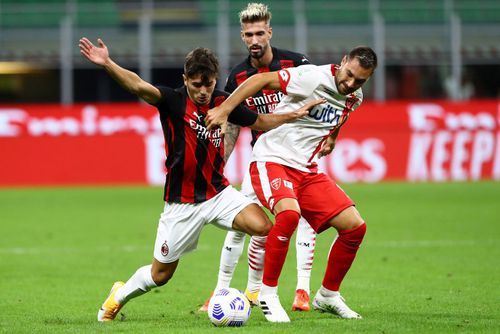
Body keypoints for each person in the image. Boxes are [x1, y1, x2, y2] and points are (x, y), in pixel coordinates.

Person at [78, 37, 324, 322]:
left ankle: (256, 292)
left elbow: (259, 122)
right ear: (185, 80)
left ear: (215, 79)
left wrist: (292, 115)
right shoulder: (172, 100)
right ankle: (118, 296)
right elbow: (137, 85)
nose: (204, 91)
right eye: (196, 85)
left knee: (265, 228)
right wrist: (108, 63)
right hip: (182, 204)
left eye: (208, 84)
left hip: (219, 194)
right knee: (160, 275)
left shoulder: (224, 101)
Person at [206, 46, 378, 322]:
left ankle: (328, 295)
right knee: (288, 216)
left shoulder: (354, 97)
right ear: (342, 61)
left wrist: (332, 137)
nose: (350, 84)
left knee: (355, 227)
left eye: (360, 80)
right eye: (349, 75)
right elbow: (259, 80)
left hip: (305, 171)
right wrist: (225, 109)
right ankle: (267, 294)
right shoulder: (311, 77)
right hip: (271, 159)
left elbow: (339, 113)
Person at [200, 2, 317, 313]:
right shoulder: (238, 77)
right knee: (241, 224)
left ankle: (302, 290)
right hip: (263, 159)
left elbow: (324, 99)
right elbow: (233, 127)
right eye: (249, 34)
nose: (255, 39)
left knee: (305, 218)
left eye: (260, 33)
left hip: (299, 156)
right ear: (242, 36)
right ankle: (221, 291)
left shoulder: (296, 63)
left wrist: (329, 135)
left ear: (270, 32)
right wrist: (217, 164)